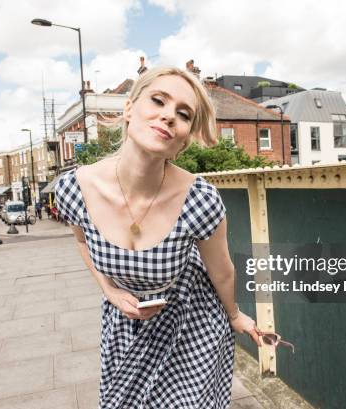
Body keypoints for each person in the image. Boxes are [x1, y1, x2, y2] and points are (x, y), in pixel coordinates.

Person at [55, 67, 265, 408]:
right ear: (128, 109)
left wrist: (234, 315)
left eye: (183, 115)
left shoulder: (200, 199)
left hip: (192, 326)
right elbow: (82, 242)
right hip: (127, 330)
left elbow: (223, 272)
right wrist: (109, 289)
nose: (168, 116)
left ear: (183, 138)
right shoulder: (74, 190)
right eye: (158, 101)